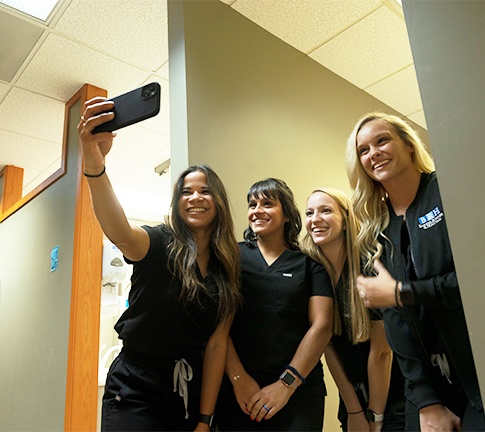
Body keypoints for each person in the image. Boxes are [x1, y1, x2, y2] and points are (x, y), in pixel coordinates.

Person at [77, 96, 241, 431]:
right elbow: (121, 233)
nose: (195, 197)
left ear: (219, 201)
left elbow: (216, 345)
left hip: (187, 391)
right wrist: (94, 164)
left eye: (205, 191)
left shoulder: (227, 267)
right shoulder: (161, 242)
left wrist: (205, 420)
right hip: (135, 386)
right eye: (186, 192)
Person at [345, 112, 485, 431]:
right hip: (428, 388)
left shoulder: (447, 191)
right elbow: (396, 324)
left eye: (382, 141)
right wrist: (426, 400)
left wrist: (401, 293)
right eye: (363, 150)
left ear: (408, 145)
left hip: (477, 371)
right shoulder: (375, 231)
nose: (373, 153)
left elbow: (475, 281)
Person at [216, 178, 334, 431]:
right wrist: (238, 378)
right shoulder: (231, 257)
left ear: (287, 215)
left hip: (299, 391)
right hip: (240, 390)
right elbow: (216, 323)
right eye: (252, 204)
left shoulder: (310, 263)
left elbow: (322, 326)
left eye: (267, 204)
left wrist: (286, 384)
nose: (257, 210)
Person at [303, 187, 406, 431]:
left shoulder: (369, 265)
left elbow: (383, 352)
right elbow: (326, 345)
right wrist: (354, 411)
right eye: (309, 213)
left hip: (393, 398)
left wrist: (375, 416)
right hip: (353, 398)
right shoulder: (314, 273)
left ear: (346, 221)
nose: (315, 219)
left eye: (325, 211)